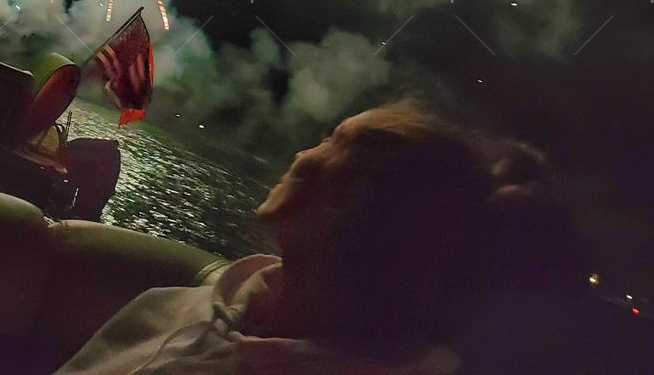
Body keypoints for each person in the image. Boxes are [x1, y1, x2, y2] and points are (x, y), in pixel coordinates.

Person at [56, 100, 585, 375]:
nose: (304, 157)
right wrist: (91, 204)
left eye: (337, 146)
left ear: (363, 212)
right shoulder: (228, 305)